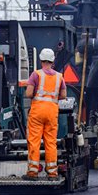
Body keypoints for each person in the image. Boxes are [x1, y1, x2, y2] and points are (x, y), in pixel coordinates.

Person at [24, 48, 66, 179]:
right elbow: (63, 95)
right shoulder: (59, 76)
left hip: (37, 111)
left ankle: (33, 171)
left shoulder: (36, 74)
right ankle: (52, 172)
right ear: (53, 61)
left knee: (34, 141)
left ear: (41, 60)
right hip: (52, 111)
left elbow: (29, 93)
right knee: (51, 142)